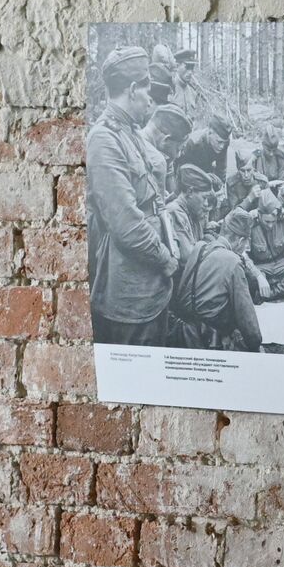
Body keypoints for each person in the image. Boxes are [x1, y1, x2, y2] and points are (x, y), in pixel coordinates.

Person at [88, 45, 177, 345]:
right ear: (132, 89)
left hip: (151, 286)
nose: (150, 98)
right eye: (147, 89)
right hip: (130, 295)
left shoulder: (129, 131)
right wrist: (164, 258)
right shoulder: (104, 139)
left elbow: (154, 191)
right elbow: (125, 223)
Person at [169, 208, 263, 351]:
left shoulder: (199, 247)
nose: (245, 247)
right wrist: (255, 343)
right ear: (240, 240)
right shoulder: (232, 261)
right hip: (209, 340)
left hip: (181, 333)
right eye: (246, 243)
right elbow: (248, 321)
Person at [162, 164, 215, 256]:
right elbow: (188, 257)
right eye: (204, 198)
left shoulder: (191, 211)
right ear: (190, 192)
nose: (206, 203)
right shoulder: (175, 212)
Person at [178, 112, 232, 183]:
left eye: (224, 143)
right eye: (219, 142)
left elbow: (221, 170)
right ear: (210, 132)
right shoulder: (193, 143)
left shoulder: (224, 143)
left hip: (207, 170)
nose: (222, 146)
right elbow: (181, 170)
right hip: (189, 172)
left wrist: (220, 187)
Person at [172, 47, 207, 122]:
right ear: (177, 66)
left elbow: (197, 120)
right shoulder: (170, 89)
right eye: (187, 67)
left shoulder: (193, 92)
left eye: (192, 67)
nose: (190, 72)